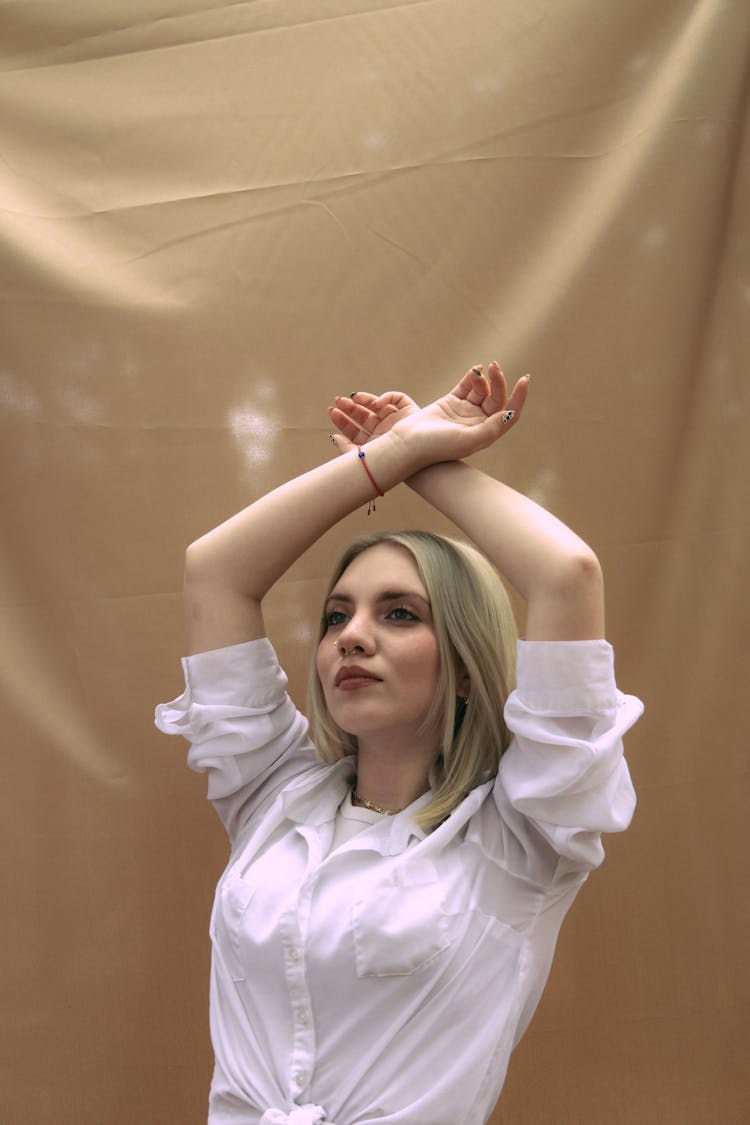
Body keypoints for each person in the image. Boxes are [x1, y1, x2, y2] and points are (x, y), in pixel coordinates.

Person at [155, 362, 643, 1125]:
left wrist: (428, 460)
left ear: (463, 661)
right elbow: (213, 571)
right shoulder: (273, 798)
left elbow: (566, 573)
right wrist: (390, 451)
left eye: (400, 615)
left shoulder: (521, 836)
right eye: (336, 615)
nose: (352, 636)